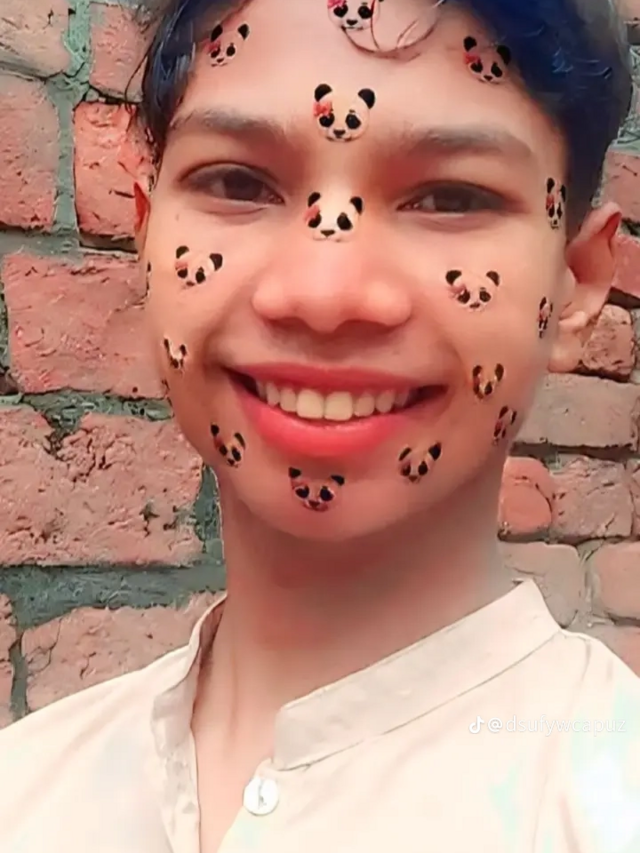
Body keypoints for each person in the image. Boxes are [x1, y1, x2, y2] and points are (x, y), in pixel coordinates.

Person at [1, 0, 639, 850]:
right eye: (237, 184)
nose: (325, 294)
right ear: (145, 233)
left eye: (450, 197)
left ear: (578, 283)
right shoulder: (25, 790)